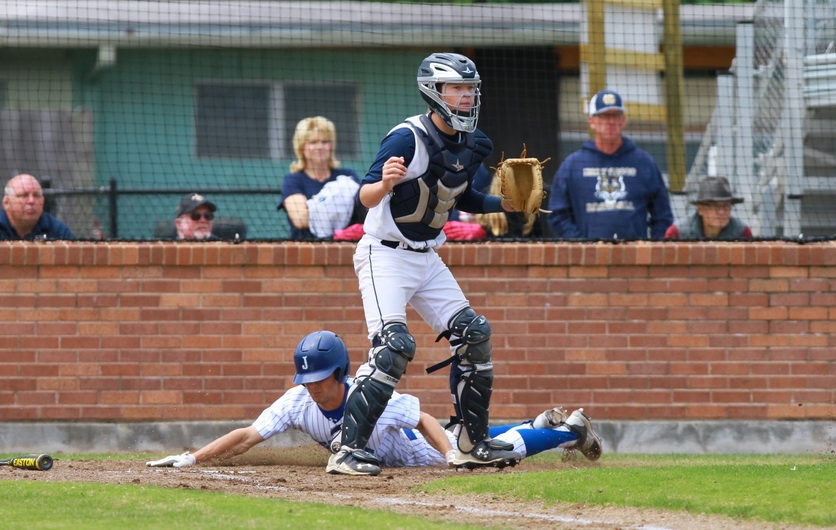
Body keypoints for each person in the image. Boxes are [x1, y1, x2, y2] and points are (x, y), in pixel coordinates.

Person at [328, 52, 522, 477]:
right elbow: (364, 199)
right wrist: (386, 182)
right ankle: (347, 448)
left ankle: (473, 443)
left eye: (470, 89)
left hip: (427, 256)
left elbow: (459, 195)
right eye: (456, 89)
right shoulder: (405, 138)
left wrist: (503, 203)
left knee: (475, 334)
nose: (466, 97)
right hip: (384, 254)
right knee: (394, 348)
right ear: (434, 93)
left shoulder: (476, 143)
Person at [145, 331, 602, 472]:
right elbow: (247, 437)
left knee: (498, 451)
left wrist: (447, 454)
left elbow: (421, 415)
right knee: (480, 439)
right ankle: (539, 420)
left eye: (321, 377)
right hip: (422, 448)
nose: (312, 385)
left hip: (419, 452)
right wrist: (191, 459)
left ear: (341, 373)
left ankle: (570, 430)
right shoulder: (296, 401)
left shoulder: (371, 395)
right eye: (306, 377)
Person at [548, 90, 673, 240]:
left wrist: (653, 249)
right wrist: (580, 245)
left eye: (616, 115)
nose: (611, 122)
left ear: (623, 120)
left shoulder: (644, 163)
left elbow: (663, 216)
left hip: (634, 257)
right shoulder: (573, 165)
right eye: (604, 116)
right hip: (588, 259)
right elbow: (557, 214)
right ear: (592, 121)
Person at [278, 116, 365, 239]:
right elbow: (301, 220)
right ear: (302, 147)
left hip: (348, 249)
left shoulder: (348, 175)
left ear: (331, 146)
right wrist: (335, 201)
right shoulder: (293, 180)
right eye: (313, 142)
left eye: (325, 142)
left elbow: (365, 211)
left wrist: (313, 207)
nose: (320, 147)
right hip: (307, 249)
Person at [0, 174, 75, 240]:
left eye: (36, 196)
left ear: (43, 201)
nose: (31, 201)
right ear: (6, 202)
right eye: (24, 195)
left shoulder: (58, 231)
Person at [664, 176, 753, 239]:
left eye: (726, 206)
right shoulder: (677, 233)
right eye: (715, 206)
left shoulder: (743, 233)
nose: (722, 212)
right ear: (700, 209)